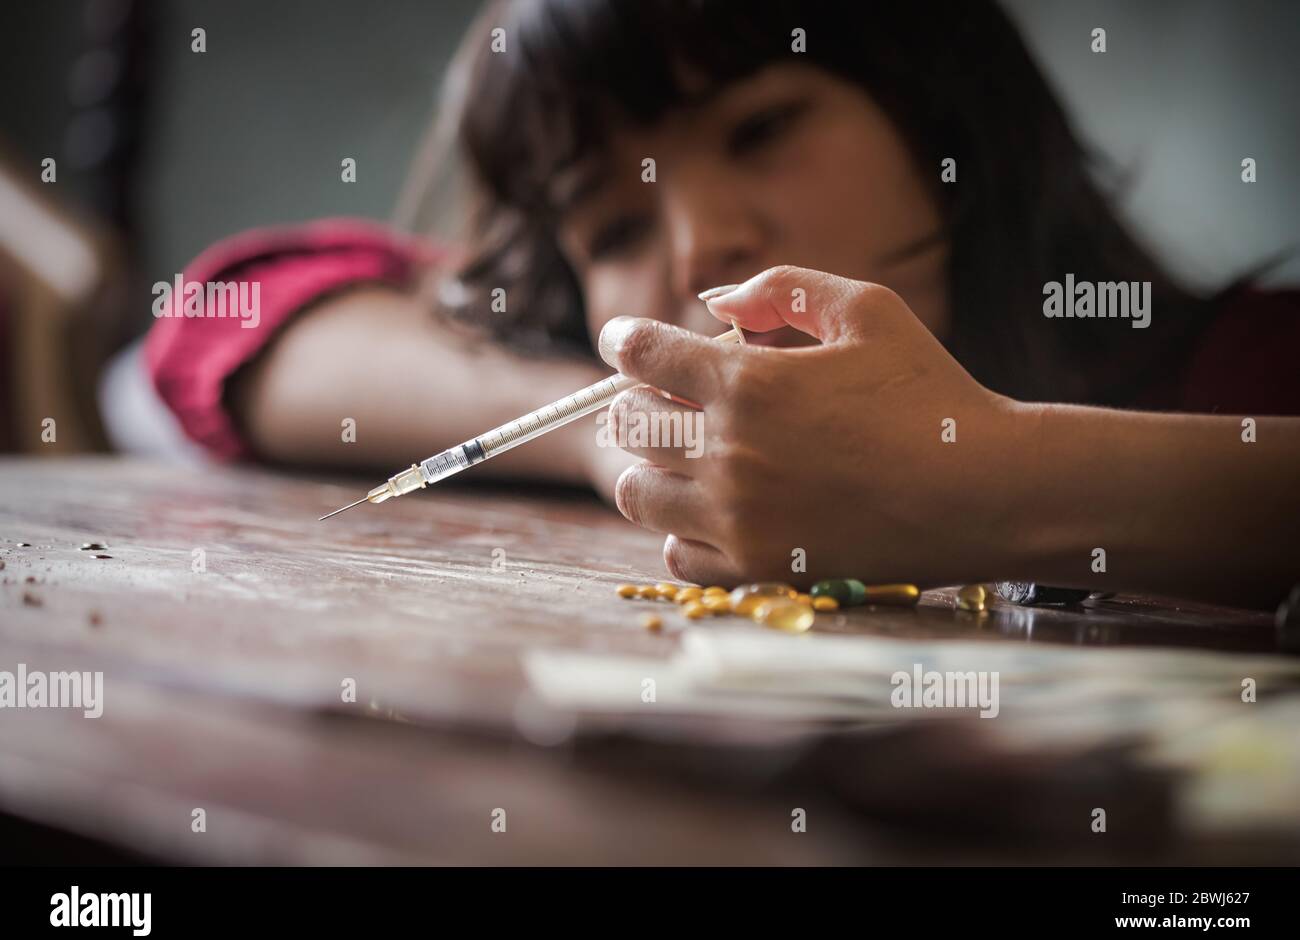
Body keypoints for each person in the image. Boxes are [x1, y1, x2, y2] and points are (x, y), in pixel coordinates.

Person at [145, 0, 1299, 609]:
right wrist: (613, 429)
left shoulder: (1249, 373)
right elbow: (225, 313)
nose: (702, 239)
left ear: (945, 118)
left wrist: (982, 479)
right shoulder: (639, 422)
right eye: (615, 226)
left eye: (762, 128)